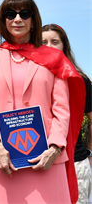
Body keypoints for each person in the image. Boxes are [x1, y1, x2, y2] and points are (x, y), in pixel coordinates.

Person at [0, 0, 85, 204]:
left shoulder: (54, 57)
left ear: (34, 21)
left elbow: (62, 110)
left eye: (24, 13)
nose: (17, 19)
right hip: (1, 160)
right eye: (10, 14)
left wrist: (54, 148)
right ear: (2, 20)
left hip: (45, 159)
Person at [42, 23, 92, 204]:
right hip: (40, 163)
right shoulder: (29, 79)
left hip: (75, 162)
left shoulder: (81, 80)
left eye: (54, 41)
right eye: (43, 42)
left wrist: (90, 153)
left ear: (64, 46)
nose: (49, 46)